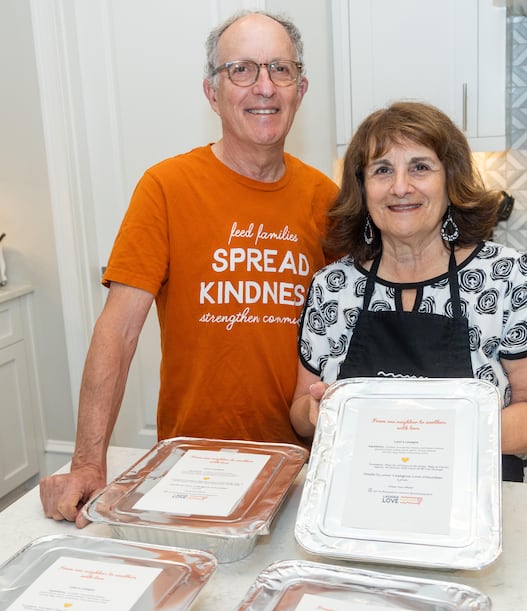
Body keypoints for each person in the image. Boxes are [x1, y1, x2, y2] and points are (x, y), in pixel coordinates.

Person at [40, 10, 339, 526]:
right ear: (212, 92)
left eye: (280, 70)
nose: (263, 86)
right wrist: (89, 461)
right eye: (241, 70)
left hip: (302, 470)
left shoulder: (326, 200)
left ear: (301, 87)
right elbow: (118, 332)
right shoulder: (166, 187)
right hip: (191, 469)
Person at [290, 101, 527, 483]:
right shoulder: (333, 287)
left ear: (449, 179)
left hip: (486, 501)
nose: (400, 187)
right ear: (363, 187)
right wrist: (313, 412)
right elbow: (301, 415)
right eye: (382, 170)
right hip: (363, 498)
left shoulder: (508, 277)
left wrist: (425, 440)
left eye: (420, 167)